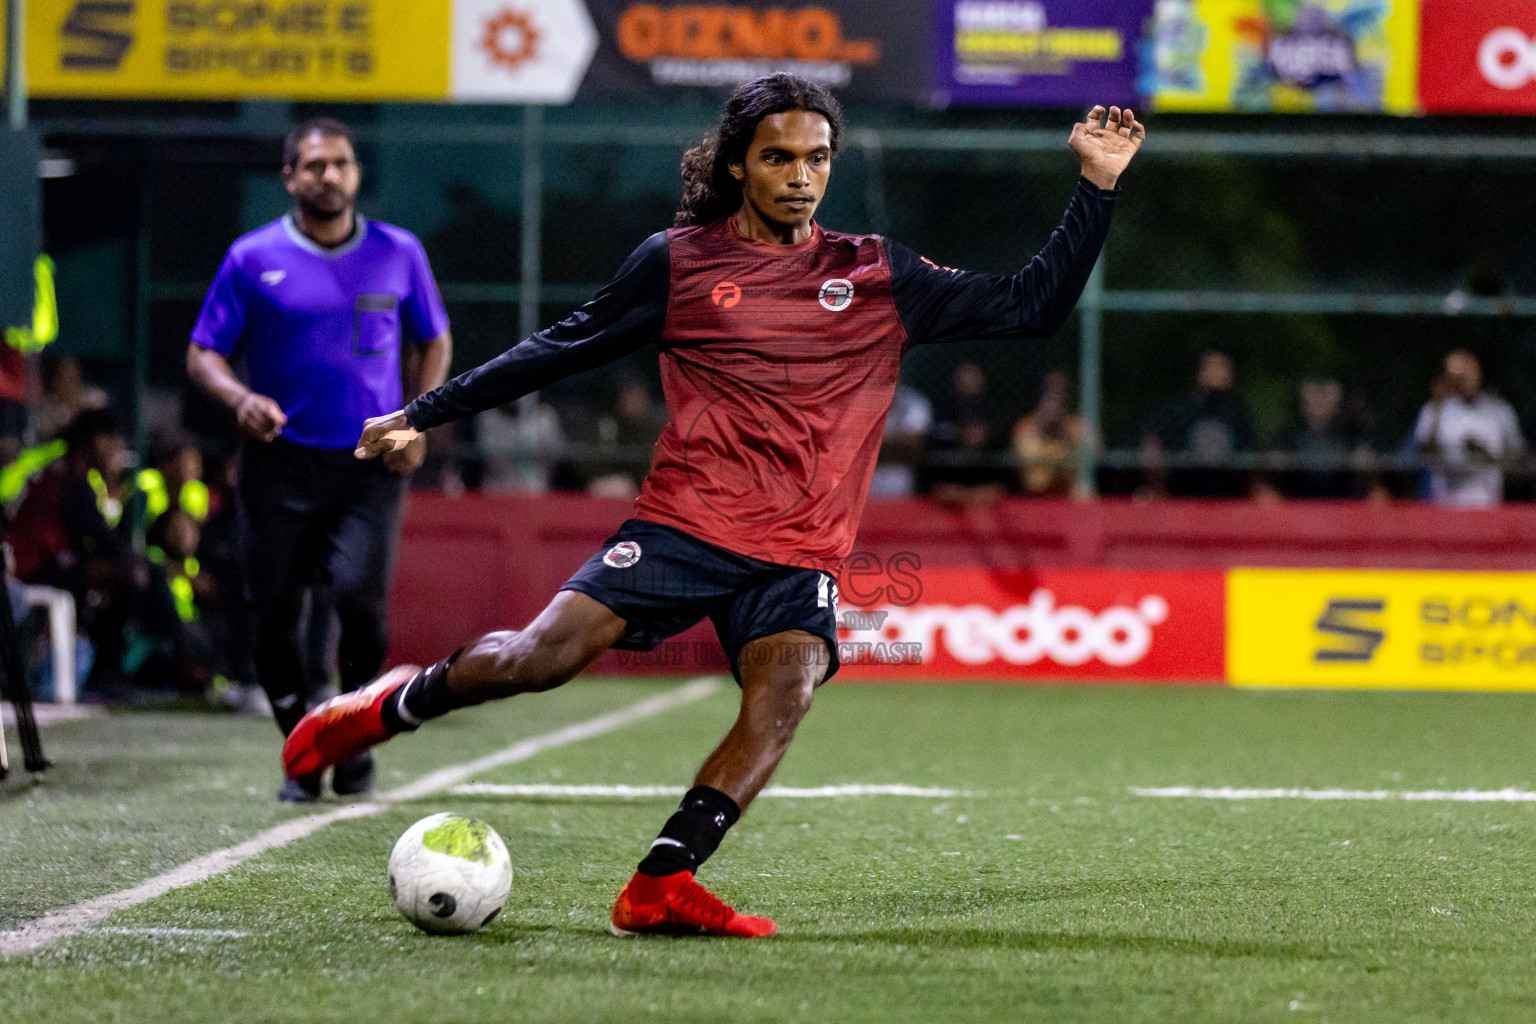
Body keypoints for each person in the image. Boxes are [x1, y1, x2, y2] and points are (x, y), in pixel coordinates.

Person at [284, 75, 1142, 936]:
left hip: (802, 550)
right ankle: (385, 706)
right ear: (738, 166)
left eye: (817, 158)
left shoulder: (879, 273)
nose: (801, 175)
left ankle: (661, 881)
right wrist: (417, 412)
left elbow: (1034, 308)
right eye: (778, 157)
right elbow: (557, 351)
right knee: (537, 660)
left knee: (786, 693)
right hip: (685, 525)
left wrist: (1097, 185)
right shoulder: (679, 262)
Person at [186, 117, 453, 802]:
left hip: (368, 464)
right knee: (274, 614)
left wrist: (415, 418)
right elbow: (203, 353)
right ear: (290, 178)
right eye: (313, 166)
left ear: (356, 174)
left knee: (357, 600)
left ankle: (356, 737)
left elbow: (435, 341)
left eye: (339, 163)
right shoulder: (252, 257)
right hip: (277, 463)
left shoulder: (399, 252)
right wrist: (238, 397)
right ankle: (300, 749)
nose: (327, 175)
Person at [1139, 349, 1255, 499]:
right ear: (1199, 372)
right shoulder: (1180, 409)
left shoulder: (1237, 413)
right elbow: (1151, 445)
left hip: (1228, 500)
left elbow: (1253, 456)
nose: (1218, 374)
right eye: (1212, 367)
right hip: (1183, 498)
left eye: (1223, 368)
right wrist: (1159, 485)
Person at [1413, 349, 1524, 507]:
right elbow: (1423, 450)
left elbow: (1517, 455)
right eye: (1459, 376)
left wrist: (1485, 454)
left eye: (1469, 372)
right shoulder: (1434, 410)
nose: (1466, 379)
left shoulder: (1499, 410)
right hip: (1445, 503)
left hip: (1487, 502)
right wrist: (1439, 406)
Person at [1012, 370, 1083, 498]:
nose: (1055, 396)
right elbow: (1030, 470)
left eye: (1060, 390)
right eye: (1050, 389)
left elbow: (1092, 452)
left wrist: (1063, 431)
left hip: (1068, 496)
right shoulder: (1026, 426)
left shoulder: (1075, 426)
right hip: (1035, 495)